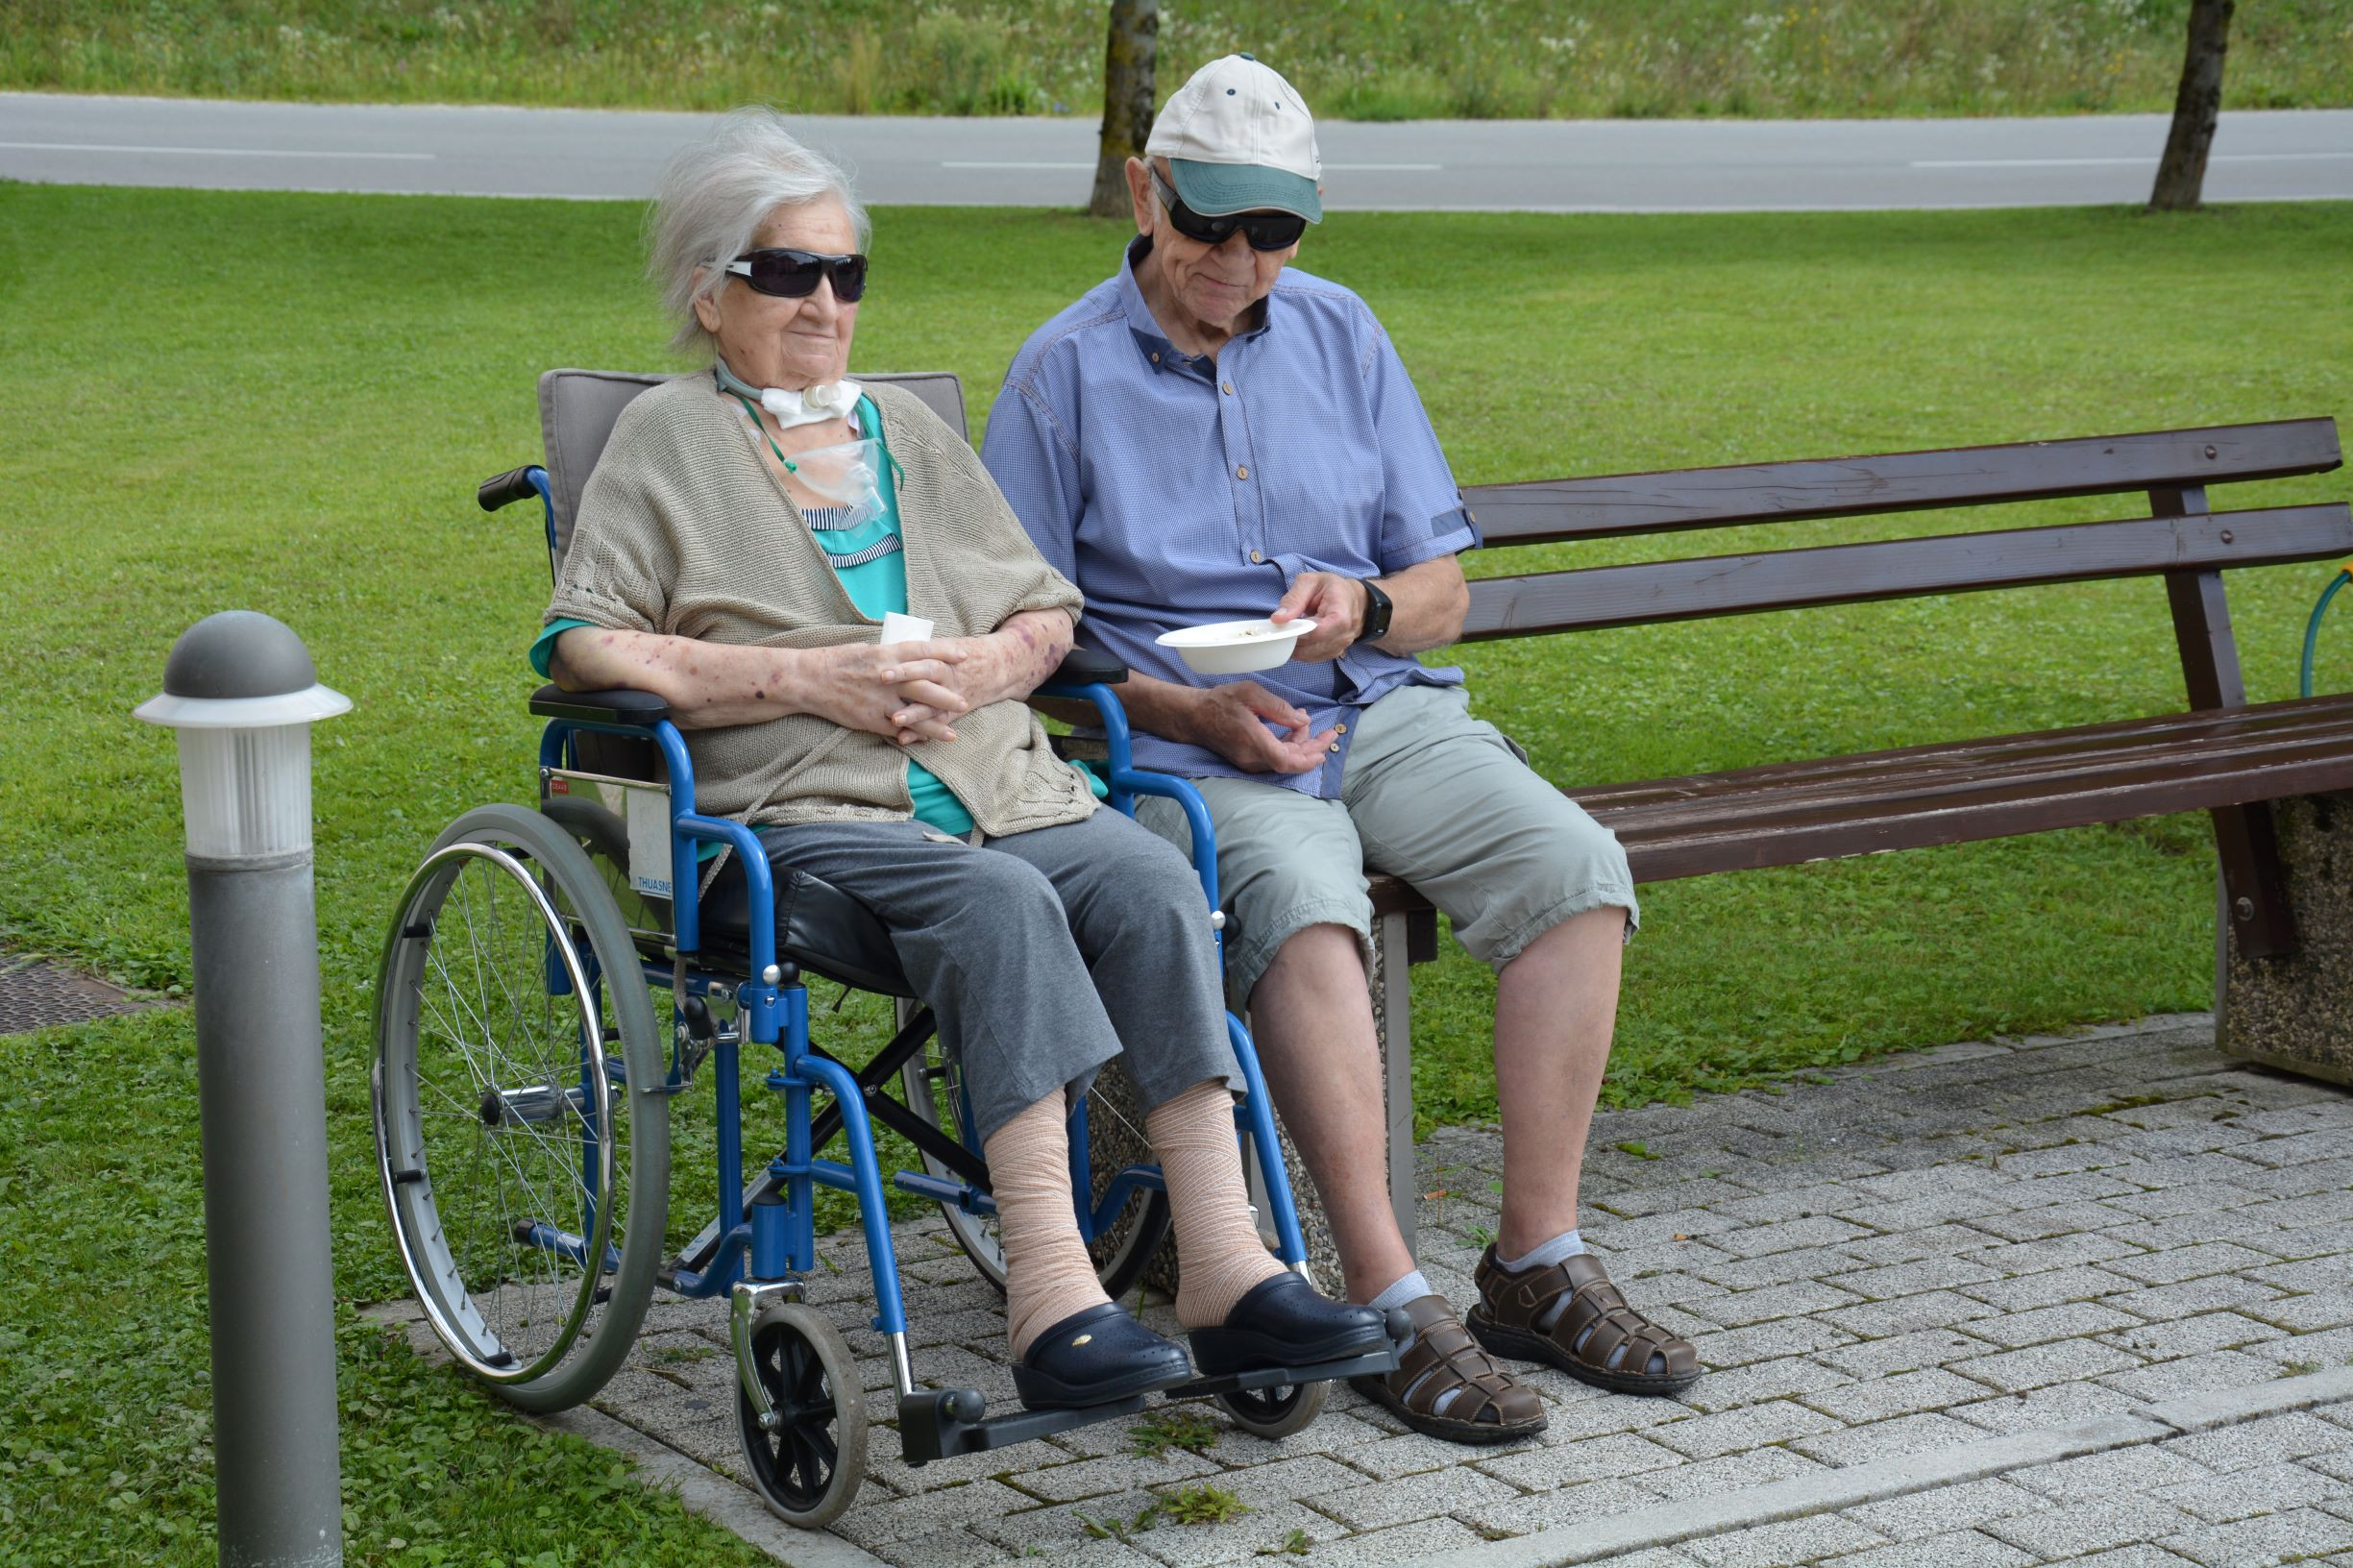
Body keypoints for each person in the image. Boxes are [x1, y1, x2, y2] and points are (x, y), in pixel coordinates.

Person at [536, 108, 1385, 1412]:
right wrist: (804, 675)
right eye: (783, 272)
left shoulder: (901, 433)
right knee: (996, 903)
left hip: (996, 780)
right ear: (710, 296)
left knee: (1148, 879)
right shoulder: (668, 438)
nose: (821, 303)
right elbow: (587, 643)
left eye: (843, 274)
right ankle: (1052, 1291)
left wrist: (994, 668)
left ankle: (1221, 1263)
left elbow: (1042, 609)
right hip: (800, 806)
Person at [981, 57, 1702, 1441]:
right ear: (1144, 191)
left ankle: (1534, 1264)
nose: (1239, 263)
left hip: (1378, 706)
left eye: (1274, 233)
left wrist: (1360, 609)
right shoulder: (1061, 374)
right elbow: (1023, 647)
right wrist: (1182, 708)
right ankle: (1384, 1299)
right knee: (1311, 917)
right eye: (1209, 227)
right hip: (1187, 753)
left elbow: (1440, 588)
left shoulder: (1341, 332)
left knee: (1574, 870)